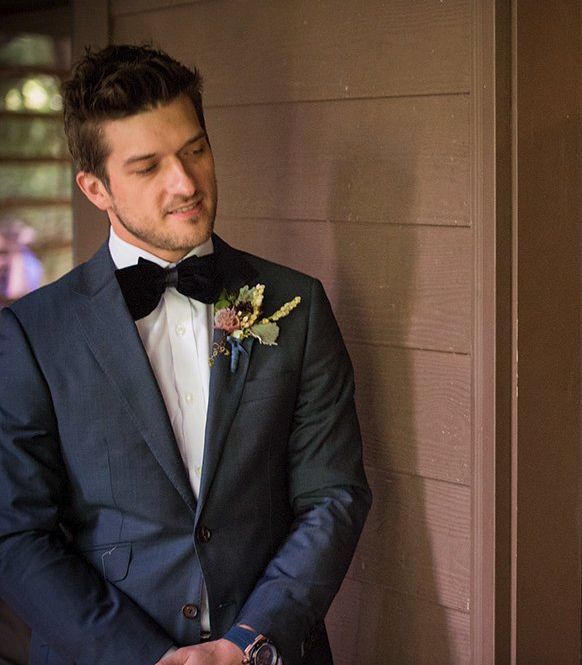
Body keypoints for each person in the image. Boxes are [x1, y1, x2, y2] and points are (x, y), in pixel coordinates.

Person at [0, 44, 371, 664]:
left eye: (195, 150)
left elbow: (333, 497)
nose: (186, 183)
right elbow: (16, 535)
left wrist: (248, 643)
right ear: (95, 188)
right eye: (148, 167)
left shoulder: (297, 304)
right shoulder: (32, 335)